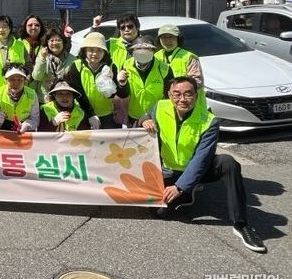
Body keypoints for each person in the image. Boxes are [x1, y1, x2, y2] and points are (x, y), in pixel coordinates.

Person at [140, 77, 266, 253]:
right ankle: (187, 193)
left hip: (198, 169)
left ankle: (241, 224)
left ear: (196, 96)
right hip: (170, 170)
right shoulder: (160, 107)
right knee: (160, 213)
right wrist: (145, 119)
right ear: (169, 94)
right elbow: (144, 117)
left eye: (188, 94)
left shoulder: (209, 120)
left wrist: (179, 187)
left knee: (228, 163)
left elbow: (202, 158)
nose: (182, 99)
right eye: (177, 94)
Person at [66, 31, 129, 129]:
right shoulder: (77, 66)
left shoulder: (111, 67)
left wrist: (122, 83)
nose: (95, 54)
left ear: (104, 52)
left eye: (99, 50)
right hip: (82, 114)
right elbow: (78, 93)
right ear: (85, 51)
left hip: (107, 116)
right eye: (91, 50)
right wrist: (90, 115)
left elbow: (121, 94)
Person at [121, 36, 173, 126]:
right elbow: (123, 94)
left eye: (147, 49)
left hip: (157, 116)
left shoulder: (164, 68)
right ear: (133, 52)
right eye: (138, 49)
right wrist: (122, 83)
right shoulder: (126, 65)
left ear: (153, 51)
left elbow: (170, 96)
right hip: (134, 116)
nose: (142, 53)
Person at [0, 64, 40, 132]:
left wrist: (27, 125)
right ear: (6, 80)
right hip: (4, 127)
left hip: (24, 128)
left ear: (25, 81)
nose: (16, 83)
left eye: (19, 80)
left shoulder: (32, 95)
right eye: (12, 79)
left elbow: (35, 120)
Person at [0, 15, 29, 91]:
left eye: (4, 27)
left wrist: (26, 80)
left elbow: (28, 65)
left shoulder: (20, 45)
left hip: (16, 91)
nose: (1, 30)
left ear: (10, 28)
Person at [31, 27, 75, 101]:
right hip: (45, 99)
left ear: (63, 42)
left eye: (58, 40)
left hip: (64, 99)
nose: (55, 43)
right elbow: (37, 77)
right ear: (47, 43)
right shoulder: (42, 56)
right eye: (51, 40)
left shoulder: (73, 60)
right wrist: (43, 59)